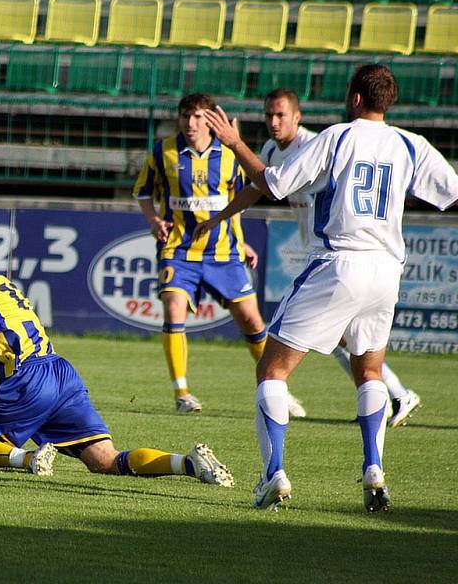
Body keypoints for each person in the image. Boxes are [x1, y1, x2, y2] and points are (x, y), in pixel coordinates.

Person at [204, 65, 458, 512]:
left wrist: (235, 143)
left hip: (341, 261)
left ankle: (273, 474)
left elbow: (277, 185)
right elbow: (452, 191)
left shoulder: (338, 136)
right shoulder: (410, 144)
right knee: (369, 373)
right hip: (386, 271)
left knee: (272, 371)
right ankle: (374, 467)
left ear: (355, 98)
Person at [0, 215, 235, 487]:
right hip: (60, 373)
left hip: (25, 382)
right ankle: (188, 464)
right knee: (105, 462)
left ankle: (28, 457)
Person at [193, 88, 421, 427]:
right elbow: (258, 187)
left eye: (281, 115)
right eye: (269, 114)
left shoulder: (319, 144)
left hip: (341, 254)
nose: (273, 121)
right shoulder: (272, 149)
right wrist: (218, 217)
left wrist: (235, 145)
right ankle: (391, 395)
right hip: (321, 254)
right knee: (343, 339)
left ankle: (396, 394)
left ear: (297, 117)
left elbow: (275, 185)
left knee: (334, 341)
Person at [133, 92, 288, 414]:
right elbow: (143, 192)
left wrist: (241, 241)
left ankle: (276, 389)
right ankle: (182, 394)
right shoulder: (164, 151)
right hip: (178, 249)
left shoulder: (231, 155)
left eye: (198, 117)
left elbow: (238, 202)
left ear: (210, 120)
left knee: (251, 320)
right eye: (185, 116)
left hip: (224, 252)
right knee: (174, 308)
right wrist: (153, 220)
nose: (191, 123)